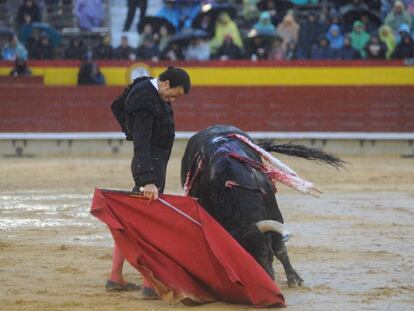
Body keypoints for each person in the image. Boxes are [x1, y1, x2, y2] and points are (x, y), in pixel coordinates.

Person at [109, 66, 191, 296]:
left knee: (131, 222)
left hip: (152, 162)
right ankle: (149, 283)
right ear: (165, 83)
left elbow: (117, 106)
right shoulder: (146, 98)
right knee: (145, 225)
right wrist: (148, 180)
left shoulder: (147, 89)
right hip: (150, 166)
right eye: (174, 94)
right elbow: (142, 143)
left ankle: (115, 276)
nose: (174, 99)